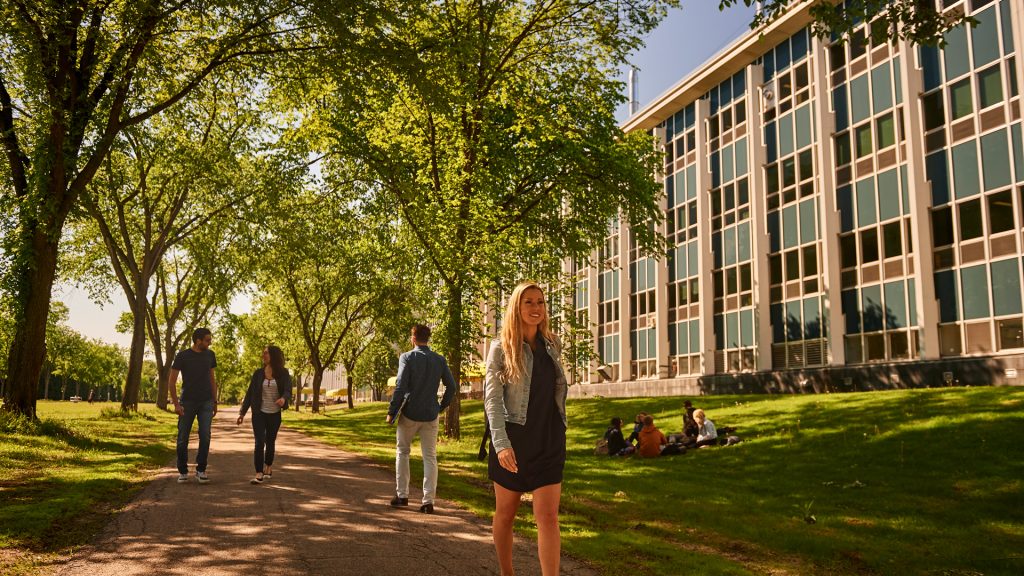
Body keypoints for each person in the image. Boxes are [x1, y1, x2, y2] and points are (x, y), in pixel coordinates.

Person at [484, 281, 568, 576]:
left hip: (548, 439)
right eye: (529, 302)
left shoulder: (552, 344)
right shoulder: (500, 348)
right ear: (516, 308)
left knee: (548, 516)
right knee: (506, 515)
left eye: (541, 302)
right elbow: (492, 400)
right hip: (514, 440)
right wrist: (501, 444)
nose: (536, 308)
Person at [386, 324, 457, 514]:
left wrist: (392, 411)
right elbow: (452, 387)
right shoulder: (439, 360)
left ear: (413, 338)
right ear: (428, 338)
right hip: (430, 414)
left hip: (409, 413)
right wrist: (440, 407)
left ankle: (402, 495)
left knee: (402, 452)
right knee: (430, 457)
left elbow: (400, 386)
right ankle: (428, 501)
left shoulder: (407, 357)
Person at [237, 345, 292, 484]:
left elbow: (287, 390)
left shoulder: (283, 373)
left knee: (270, 441)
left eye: (266, 353)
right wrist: (242, 413)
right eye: (263, 353)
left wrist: (283, 399)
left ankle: (268, 466)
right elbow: (250, 394)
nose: (263, 355)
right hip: (259, 413)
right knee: (259, 442)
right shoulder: (258, 374)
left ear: (273, 355)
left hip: (274, 414)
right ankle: (258, 472)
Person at [169, 328, 218, 484]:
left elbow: (212, 379)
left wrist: (215, 401)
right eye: (207, 340)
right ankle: (183, 471)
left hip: (206, 402)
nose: (210, 343)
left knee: (205, 436)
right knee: (183, 438)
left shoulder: (210, 355)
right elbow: (171, 382)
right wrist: (176, 404)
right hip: (187, 402)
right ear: (198, 340)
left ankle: (200, 470)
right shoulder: (183, 356)